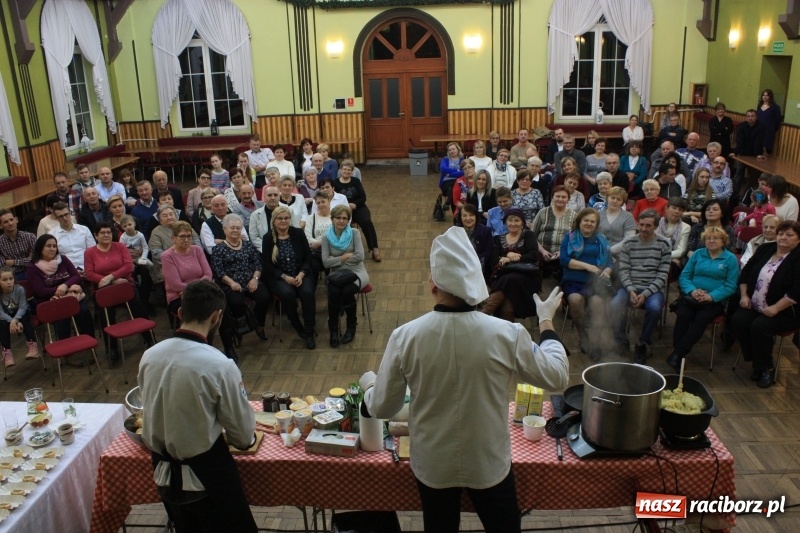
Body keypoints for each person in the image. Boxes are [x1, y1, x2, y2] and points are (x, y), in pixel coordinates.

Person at [359, 226, 568, 533]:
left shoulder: (406, 336)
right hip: (488, 460)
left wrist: (369, 390)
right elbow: (557, 375)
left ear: (433, 285)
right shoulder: (506, 334)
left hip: (434, 462)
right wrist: (546, 320)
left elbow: (384, 406)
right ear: (476, 283)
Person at [138, 280, 257, 533]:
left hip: (163, 474)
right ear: (217, 317)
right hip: (206, 476)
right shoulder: (220, 365)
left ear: (180, 313)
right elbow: (243, 436)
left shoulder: (150, 356)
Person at [731, 220, 800, 388]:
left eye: (789, 235)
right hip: (755, 304)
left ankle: (766, 367)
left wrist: (776, 308)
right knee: (738, 320)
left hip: (786, 310)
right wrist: (744, 295)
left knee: (760, 326)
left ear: (798, 239)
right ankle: (757, 362)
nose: (783, 237)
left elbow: (797, 291)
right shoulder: (765, 249)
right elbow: (745, 273)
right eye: (781, 233)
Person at [667, 226, 739, 371]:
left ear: (723, 241)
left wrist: (711, 296)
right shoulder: (698, 254)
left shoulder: (730, 259)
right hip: (692, 297)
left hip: (714, 301)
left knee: (701, 319)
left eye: (715, 238)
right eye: (708, 238)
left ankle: (678, 354)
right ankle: (679, 356)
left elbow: (730, 286)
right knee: (683, 315)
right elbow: (685, 277)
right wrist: (693, 291)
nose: (711, 241)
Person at [609, 209, 671, 363]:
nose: (644, 229)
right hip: (630, 286)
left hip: (653, 288)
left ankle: (642, 343)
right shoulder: (629, 243)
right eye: (641, 225)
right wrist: (631, 290)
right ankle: (620, 339)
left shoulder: (664, 244)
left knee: (655, 308)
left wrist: (646, 294)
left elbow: (663, 274)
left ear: (656, 226)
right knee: (615, 304)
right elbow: (623, 270)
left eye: (648, 226)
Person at [84, 222, 151, 361]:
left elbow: (129, 266)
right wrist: (112, 280)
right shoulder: (89, 252)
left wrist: (110, 277)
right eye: (102, 233)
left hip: (124, 284)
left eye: (108, 232)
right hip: (103, 288)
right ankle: (112, 348)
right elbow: (89, 274)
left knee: (139, 308)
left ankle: (150, 339)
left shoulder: (120, 246)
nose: (106, 235)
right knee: (106, 315)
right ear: (96, 236)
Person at [211, 213, 269, 356]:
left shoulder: (248, 245)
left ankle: (258, 324)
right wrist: (232, 283)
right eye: (232, 228)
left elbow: (258, 264)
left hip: (251, 281)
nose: (235, 230)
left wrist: (255, 279)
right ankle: (238, 329)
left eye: (238, 228)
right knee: (236, 303)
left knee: (264, 298)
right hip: (230, 284)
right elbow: (219, 271)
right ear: (224, 230)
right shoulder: (218, 249)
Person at [560, 208, 614, 361]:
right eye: (586, 220)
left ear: (596, 224)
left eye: (592, 221)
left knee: (597, 302)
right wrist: (587, 266)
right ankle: (583, 334)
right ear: (580, 221)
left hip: (595, 280)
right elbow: (564, 260)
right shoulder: (569, 237)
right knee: (576, 300)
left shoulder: (601, 239)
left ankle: (595, 339)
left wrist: (607, 272)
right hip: (573, 279)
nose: (589, 223)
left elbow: (610, 262)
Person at [262, 206, 316, 349]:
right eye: (280, 218)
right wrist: (284, 277)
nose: (284, 221)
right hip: (280, 278)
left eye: (286, 218)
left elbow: (308, 257)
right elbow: (267, 265)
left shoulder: (298, 233)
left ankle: (309, 330)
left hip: (301, 274)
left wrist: (301, 274)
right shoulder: (268, 238)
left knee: (307, 293)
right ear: (274, 220)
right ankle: (297, 323)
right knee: (287, 293)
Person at [26, 234, 94, 342]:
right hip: (50, 300)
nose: (52, 249)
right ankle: (65, 348)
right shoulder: (32, 267)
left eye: (54, 246)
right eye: (48, 246)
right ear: (40, 247)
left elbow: (76, 276)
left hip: (72, 296)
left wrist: (65, 285)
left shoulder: (63, 259)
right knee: (62, 316)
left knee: (84, 310)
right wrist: (63, 289)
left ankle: (89, 341)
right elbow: (40, 291)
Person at [321, 205, 368, 347]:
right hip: (336, 274)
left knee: (347, 291)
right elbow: (325, 262)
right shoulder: (326, 237)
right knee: (334, 291)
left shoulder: (354, 233)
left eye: (344, 218)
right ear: (332, 219)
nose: (341, 221)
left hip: (356, 272)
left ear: (348, 220)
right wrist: (343, 258)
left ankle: (351, 326)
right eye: (338, 218)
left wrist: (336, 260)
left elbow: (360, 256)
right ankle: (333, 330)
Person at [483, 208, 541, 322]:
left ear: (522, 223)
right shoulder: (498, 239)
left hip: (527, 278)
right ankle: (510, 336)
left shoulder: (528, 235)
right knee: (506, 310)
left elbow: (534, 255)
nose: (513, 223)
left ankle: (485, 311)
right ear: (505, 222)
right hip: (505, 280)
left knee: (510, 278)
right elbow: (494, 260)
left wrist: (512, 258)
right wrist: (505, 256)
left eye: (517, 220)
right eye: (510, 220)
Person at [162, 221, 213, 318]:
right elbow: (175, 285)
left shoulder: (197, 249)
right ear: (173, 238)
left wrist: (194, 290)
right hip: (178, 296)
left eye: (189, 236)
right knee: (202, 308)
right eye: (182, 236)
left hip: (200, 291)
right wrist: (197, 289)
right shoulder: (167, 256)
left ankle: (225, 332)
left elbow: (208, 274)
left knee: (219, 303)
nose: (186, 240)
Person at [335, 160, 381, 262]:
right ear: (340, 170)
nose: (346, 171)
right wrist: (346, 206)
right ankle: (348, 250)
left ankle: (374, 248)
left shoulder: (356, 181)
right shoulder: (335, 183)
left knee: (367, 221)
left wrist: (355, 204)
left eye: (349, 170)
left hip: (358, 207)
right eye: (344, 169)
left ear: (352, 171)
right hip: (342, 210)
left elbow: (363, 196)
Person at [0, 266, 39, 368]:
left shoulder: (20, 289)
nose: (9, 282)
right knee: (2, 324)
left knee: (25, 317)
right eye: (4, 280)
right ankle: (6, 352)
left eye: (11, 279)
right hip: (6, 317)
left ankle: (32, 345)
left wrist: (15, 320)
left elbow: (23, 306)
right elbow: (0, 313)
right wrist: (12, 321)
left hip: (20, 314)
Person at [531, 186, 577, 271]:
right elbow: (532, 235)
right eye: (557, 196)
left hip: (564, 254)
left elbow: (575, 239)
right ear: (552, 197)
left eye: (564, 197)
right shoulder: (543, 212)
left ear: (568, 199)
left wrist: (562, 253)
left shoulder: (574, 215)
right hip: (541, 254)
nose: (560, 199)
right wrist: (542, 251)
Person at [50, 202, 95, 272]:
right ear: (56, 218)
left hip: (88, 267)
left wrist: (88, 268)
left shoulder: (84, 229)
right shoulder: (52, 235)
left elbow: (93, 251)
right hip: (67, 270)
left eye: (66, 214)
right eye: (61, 216)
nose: (64, 218)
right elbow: (54, 257)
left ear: (70, 213)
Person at [656, 197, 691, 278]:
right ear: (666, 209)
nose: (676, 211)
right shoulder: (656, 222)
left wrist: (662, 256)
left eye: (680, 209)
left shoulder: (686, 227)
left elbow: (681, 251)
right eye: (674, 208)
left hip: (671, 260)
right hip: (653, 256)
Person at [459, 204, 493, 282]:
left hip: (480, 268)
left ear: (476, 217)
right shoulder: (454, 231)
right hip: (460, 266)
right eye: (464, 215)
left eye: (471, 215)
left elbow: (488, 253)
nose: (468, 218)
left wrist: (473, 261)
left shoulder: (486, 231)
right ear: (460, 217)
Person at [304, 191, 333, 280]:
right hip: (316, 253)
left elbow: (338, 237)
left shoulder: (336, 216)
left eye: (323, 202)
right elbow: (308, 238)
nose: (320, 205)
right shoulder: (311, 218)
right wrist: (325, 240)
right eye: (318, 203)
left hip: (333, 252)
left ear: (329, 201)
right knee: (313, 264)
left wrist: (320, 242)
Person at [0, 209, 36, 280]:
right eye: (6, 222)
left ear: (16, 220)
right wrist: (27, 260)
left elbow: (37, 259)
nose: (10, 223)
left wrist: (13, 262)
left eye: (11, 219)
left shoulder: (30, 237)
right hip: (12, 277)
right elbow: (2, 265)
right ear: (0, 226)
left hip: (33, 271)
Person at [599, 186, 636, 251]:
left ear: (622, 202)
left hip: (620, 253)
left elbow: (629, 239)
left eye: (619, 199)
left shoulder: (628, 217)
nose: (615, 201)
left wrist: (610, 251)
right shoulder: (598, 214)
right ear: (607, 198)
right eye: (612, 198)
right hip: (599, 250)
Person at [249, 186, 281, 253]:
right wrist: (267, 248)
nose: (273, 198)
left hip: (285, 249)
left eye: (275, 195)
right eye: (269, 195)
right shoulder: (255, 215)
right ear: (264, 197)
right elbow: (254, 238)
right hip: (263, 250)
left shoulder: (289, 212)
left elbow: (294, 233)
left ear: (279, 196)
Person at [757, 89, 782, 155]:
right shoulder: (759, 106)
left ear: (770, 97)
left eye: (767, 95)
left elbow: (777, 122)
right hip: (759, 130)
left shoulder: (775, 107)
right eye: (763, 95)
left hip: (768, 132)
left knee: (766, 150)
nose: (765, 97)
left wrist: (772, 129)